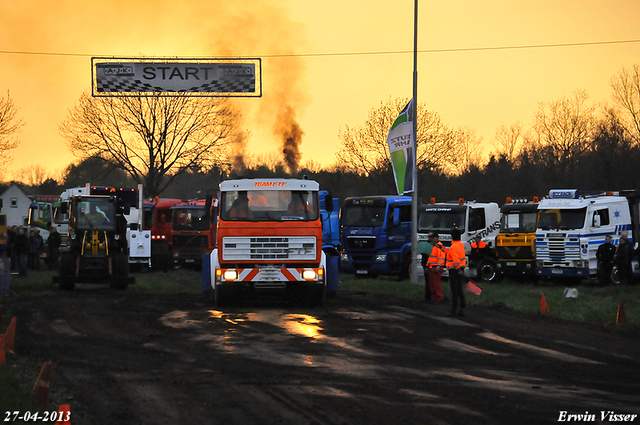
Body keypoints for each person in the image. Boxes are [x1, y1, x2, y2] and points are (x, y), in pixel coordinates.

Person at [446, 228, 467, 317]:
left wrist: (457, 269)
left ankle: (453, 309)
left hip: (454, 270)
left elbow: (455, 259)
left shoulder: (453, 247)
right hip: (461, 269)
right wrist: (461, 269)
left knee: (454, 290)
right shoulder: (460, 245)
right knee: (459, 289)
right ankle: (462, 307)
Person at [426, 232, 445, 302]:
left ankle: (439, 297)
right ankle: (434, 297)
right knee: (432, 284)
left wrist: (438, 266)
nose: (431, 239)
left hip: (436, 268)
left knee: (436, 284)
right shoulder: (433, 246)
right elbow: (430, 258)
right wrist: (428, 266)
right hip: (432, 267)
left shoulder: (439, 246)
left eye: (432, 238)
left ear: (436, 238)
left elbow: (441, 258)